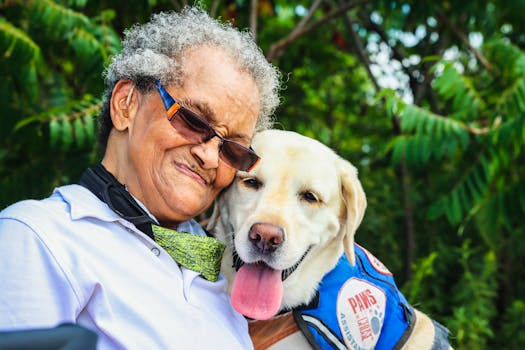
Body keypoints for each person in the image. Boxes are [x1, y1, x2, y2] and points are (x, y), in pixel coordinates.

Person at [0, 7, 280, 349]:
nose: (208, 156)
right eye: (192, 120)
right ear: (126, 104)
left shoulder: (221, 273)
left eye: (233, 149)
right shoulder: (38, 236)